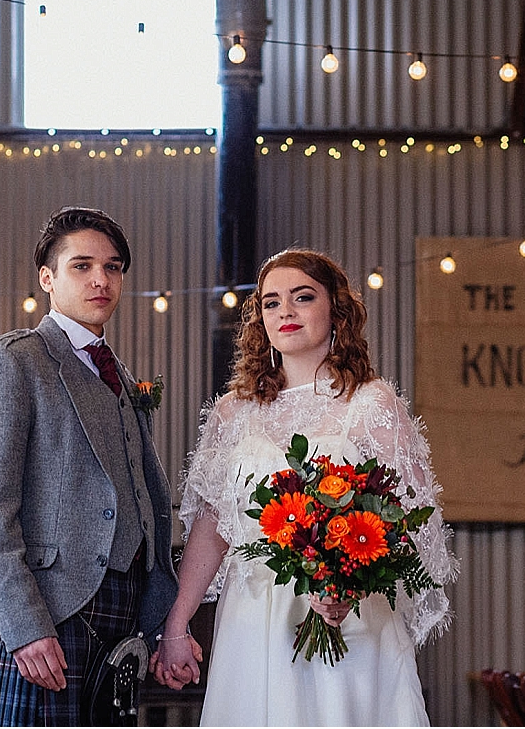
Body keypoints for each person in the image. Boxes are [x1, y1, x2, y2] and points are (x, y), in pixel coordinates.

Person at [149, 248, 455, 726]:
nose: (285, 311)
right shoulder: (234, 411)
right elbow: (212, 528)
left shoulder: (370, 402)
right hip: (252, 623)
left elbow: (411, 522)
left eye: (302, 297)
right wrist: (176, 624)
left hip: (348, 620)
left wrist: (347, 584)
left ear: (336, 311)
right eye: (271, 303)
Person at [0, 206, 178, 726]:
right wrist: (25, 625)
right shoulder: (15, 359)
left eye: (113, 267)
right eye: (82, 266)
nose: (101, 280)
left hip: (122, 617)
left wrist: (156, 616)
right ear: (47, 278)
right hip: (48, 616)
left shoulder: (119, 375)